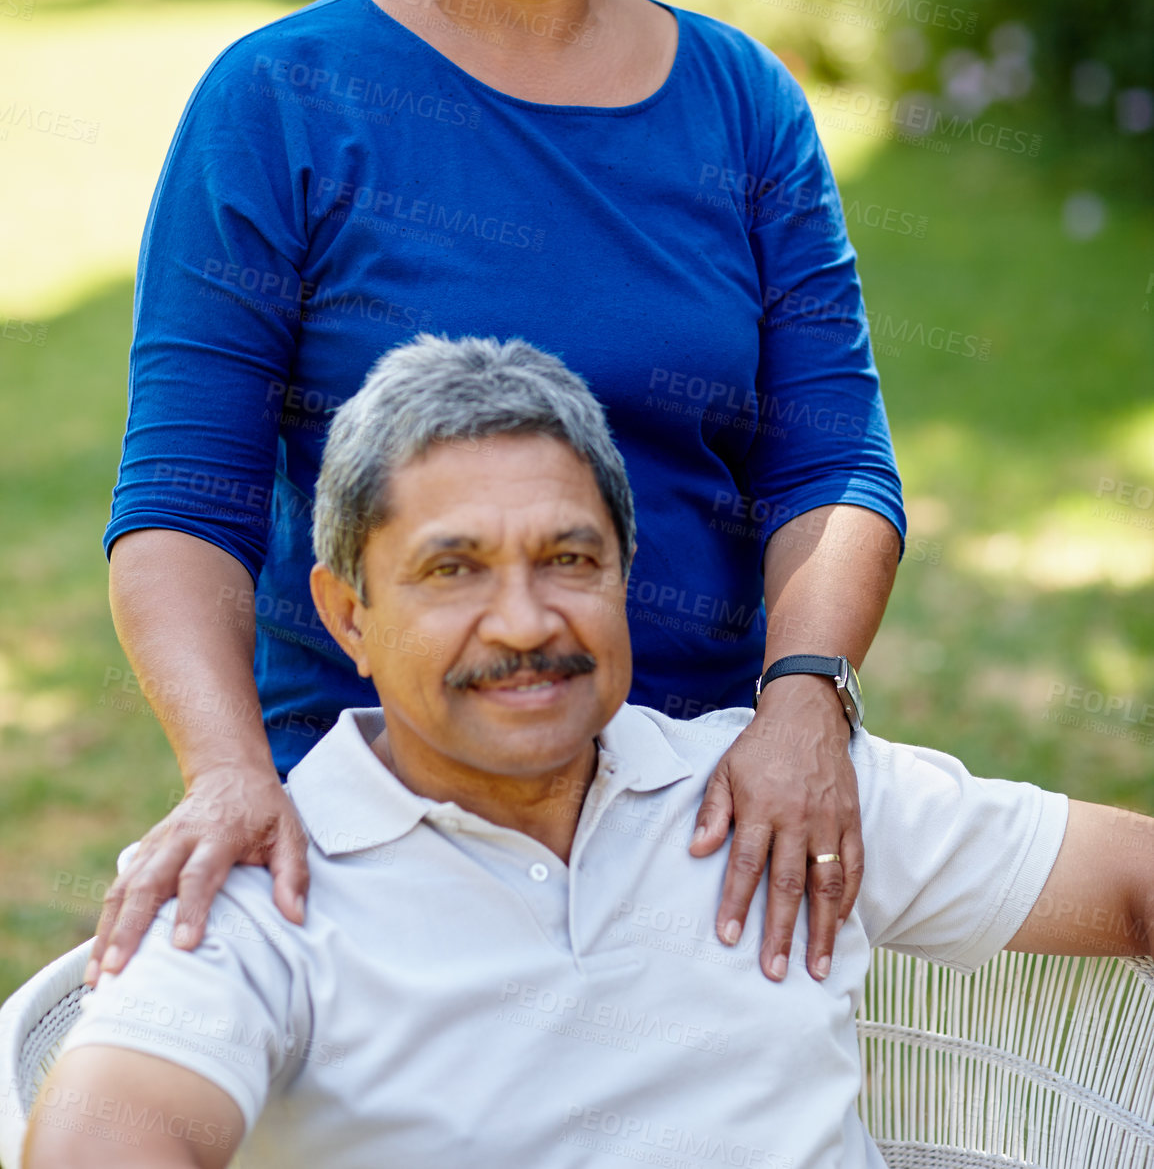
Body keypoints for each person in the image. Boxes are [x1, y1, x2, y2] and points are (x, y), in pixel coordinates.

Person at [90, 0, 905, 995]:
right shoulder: (276, 106)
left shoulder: (741, 104)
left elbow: (831, 462)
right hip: (378, 815)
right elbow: (180, 502)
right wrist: (230, 775)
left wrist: (803, 706)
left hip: (706, 809)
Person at [28, 336, 1154, 1169]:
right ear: (348, 613)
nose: (523, 621)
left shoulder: (779, 795)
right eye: (452, 569)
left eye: (568, 558)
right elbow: (105, 1136)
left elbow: (1128, 882)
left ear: (625, 574)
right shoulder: (257, 883)